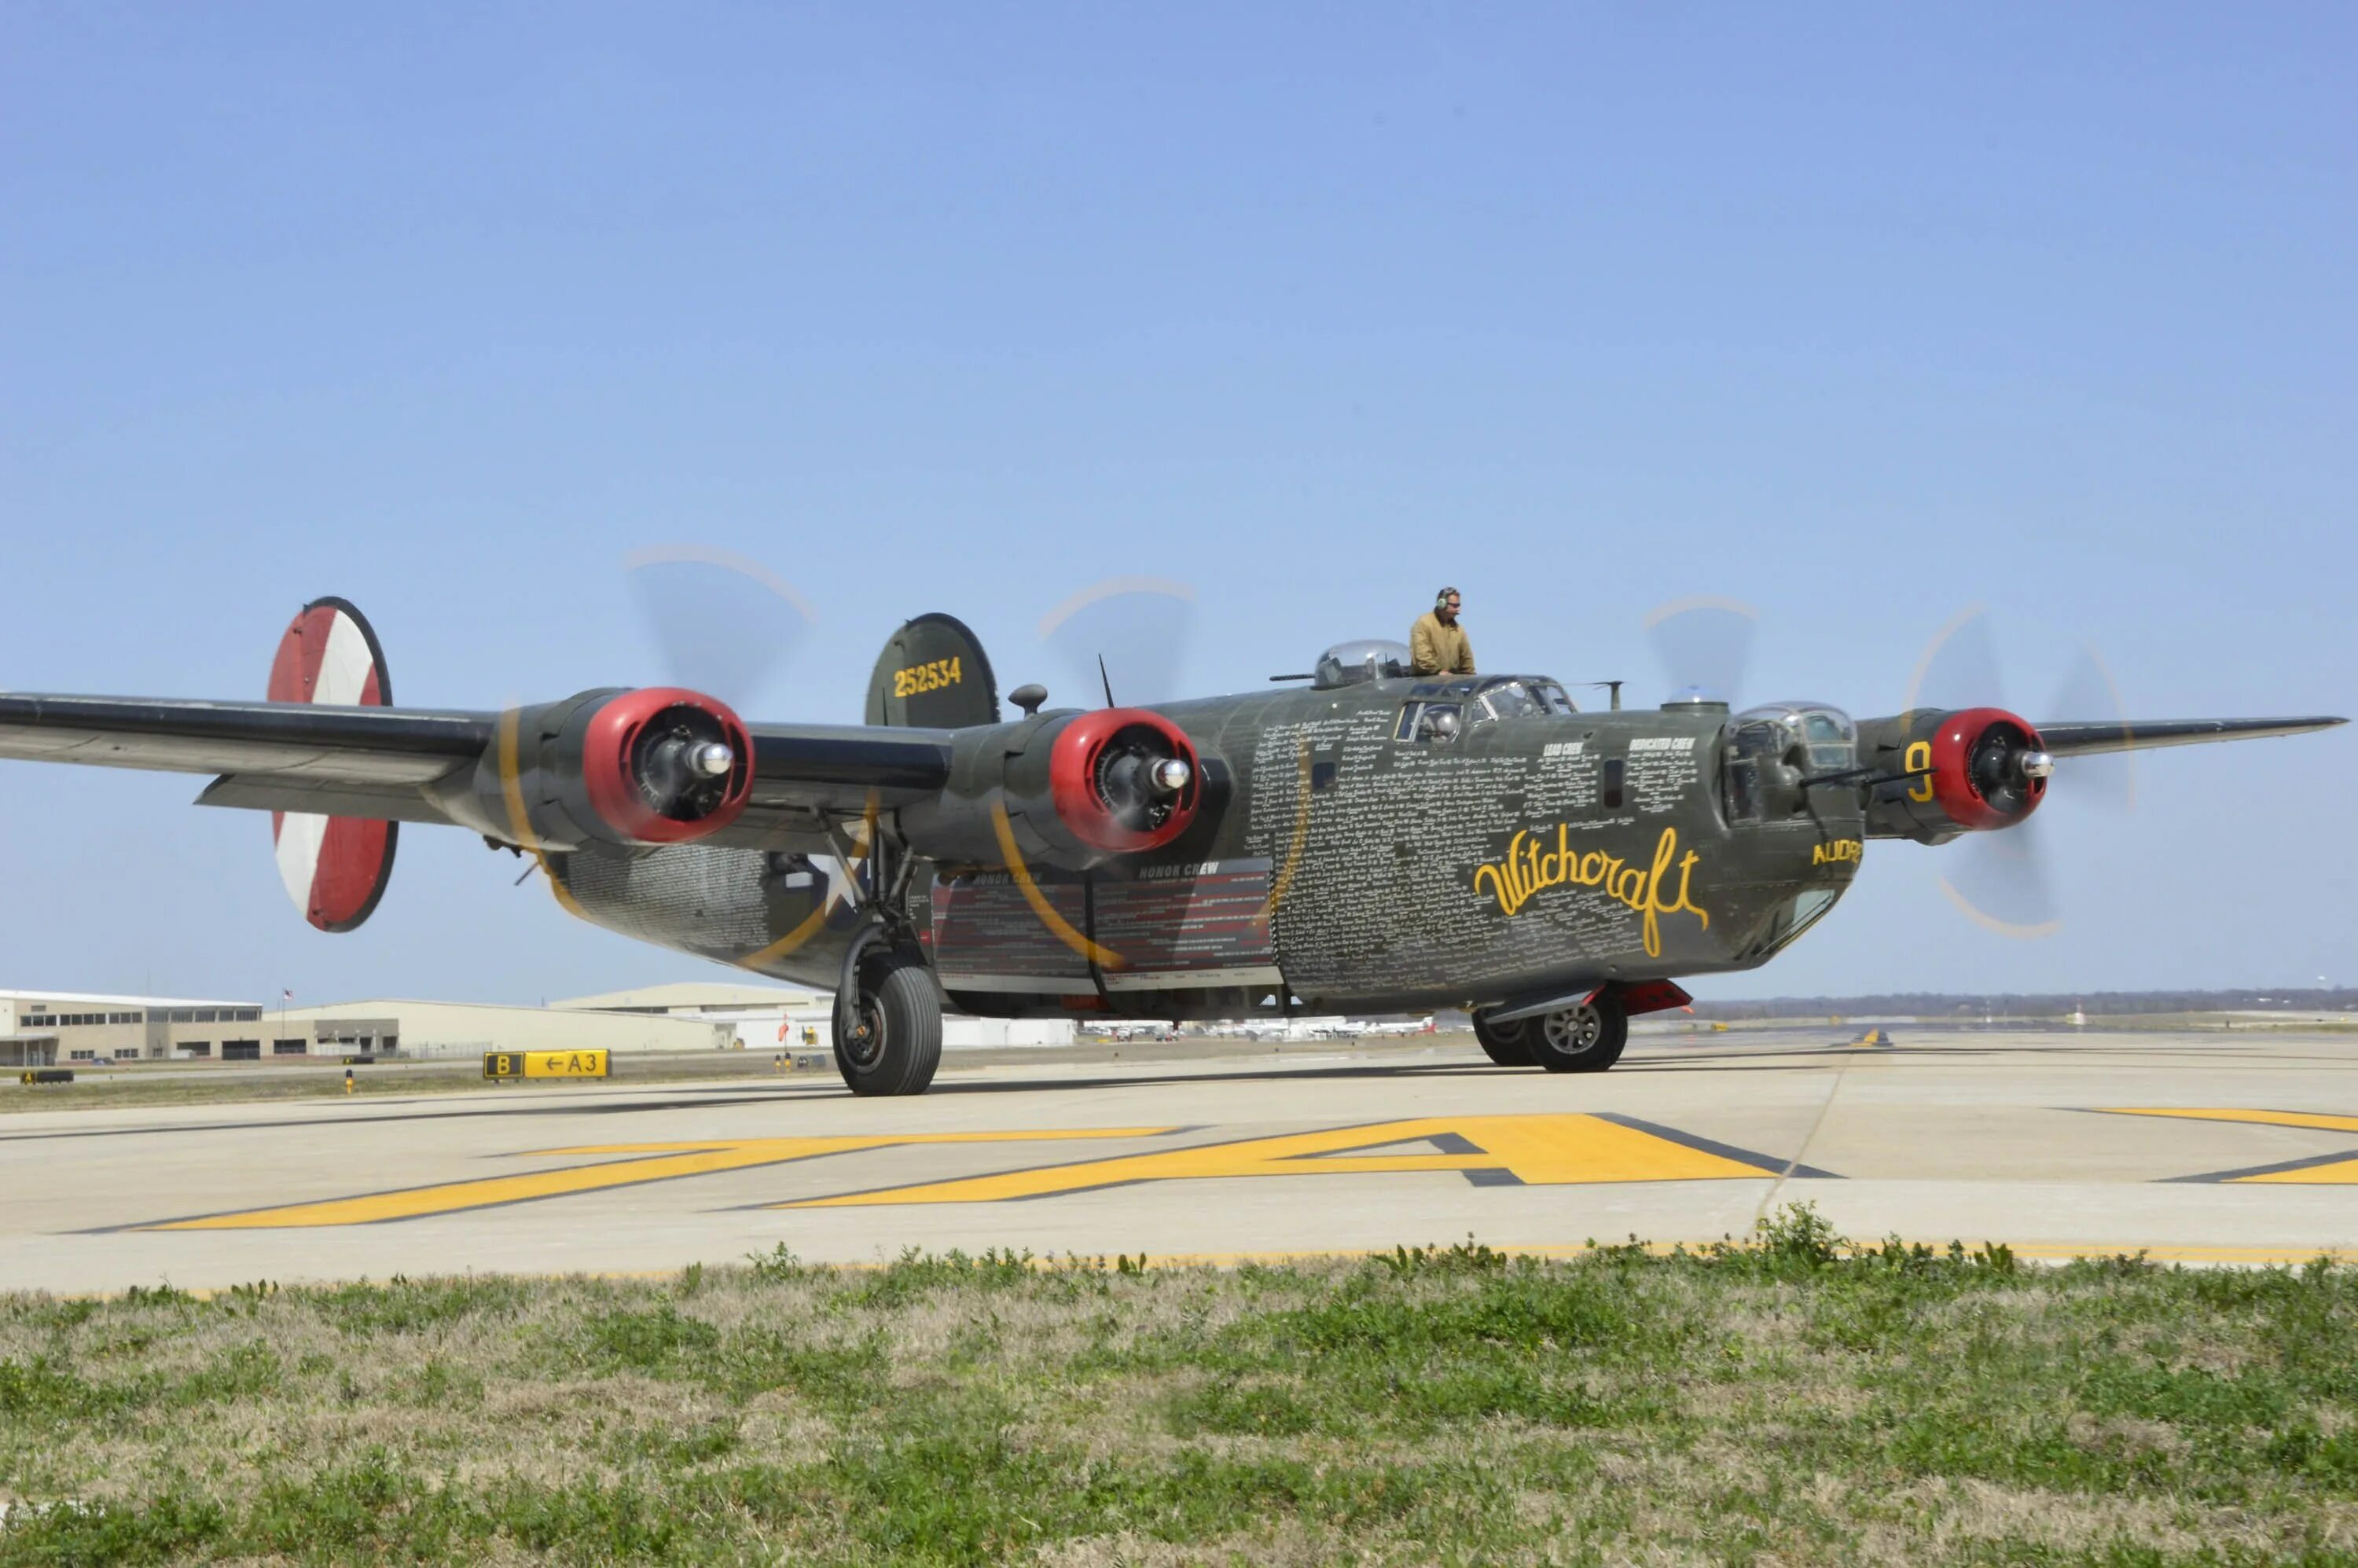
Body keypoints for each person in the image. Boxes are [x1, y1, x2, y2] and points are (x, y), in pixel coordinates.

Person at [1410, 586, 1475, 677]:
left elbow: (1467, 660)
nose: (1458, 610)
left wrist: (1469, 680)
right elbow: (1422, 656)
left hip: (1449, 685)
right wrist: (1437, 672)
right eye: (1454, 606)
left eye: (1458, 605)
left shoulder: (1459, 630)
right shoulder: (1424, 623)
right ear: (1442, 603)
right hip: (1425, 684)